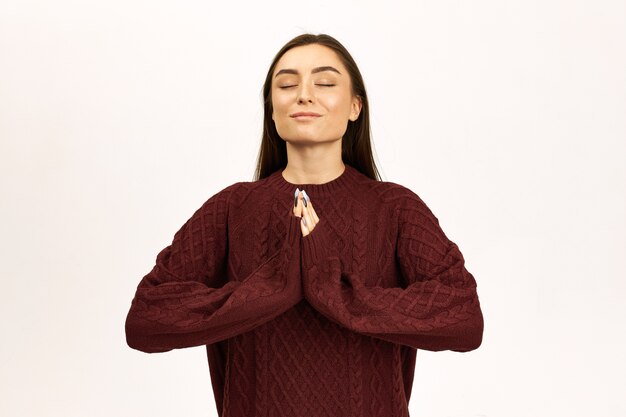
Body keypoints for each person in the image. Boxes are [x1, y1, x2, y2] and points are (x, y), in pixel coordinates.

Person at [125, 33, 484, 417]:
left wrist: (335, 293)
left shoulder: (395, 207)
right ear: (272, 108)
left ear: (355, 106)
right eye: (287, 84)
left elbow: (464, 319)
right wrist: (273, 288)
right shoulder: (232, 207)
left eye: (326, 83)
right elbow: (146, 320)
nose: (304, 94)